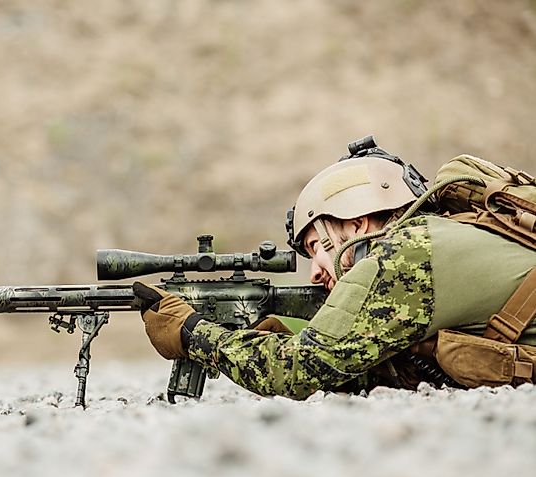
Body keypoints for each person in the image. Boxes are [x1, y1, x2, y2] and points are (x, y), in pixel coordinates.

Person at [133, 137, 536, 399]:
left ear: (355, 223)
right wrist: (294, 333)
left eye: (314, 246)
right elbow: (403, 367)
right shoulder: (439, 238)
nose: (314, 273)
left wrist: (192, 334)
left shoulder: (405, 253)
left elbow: (297, 373)